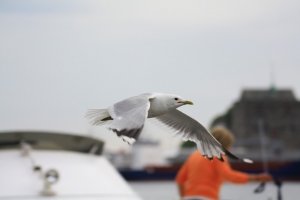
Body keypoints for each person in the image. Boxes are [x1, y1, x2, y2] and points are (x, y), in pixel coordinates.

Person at [176, 126, 273, 200]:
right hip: (207, 197)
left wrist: (184, 197)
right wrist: (257, 178)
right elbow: (228, 175)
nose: (229, 149)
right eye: (228, 146)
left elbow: (180, 179)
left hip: (188, 197)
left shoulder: (194, 155)